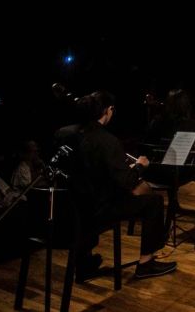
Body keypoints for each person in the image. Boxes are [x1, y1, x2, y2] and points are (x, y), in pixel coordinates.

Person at [71, 91, 176, 280]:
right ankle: (146, 263)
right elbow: (127, 182)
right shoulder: (108, 141)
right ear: (108, 110)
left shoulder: (69, 134)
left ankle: (84, 264)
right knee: (154, 202)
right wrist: (139, 167)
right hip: (102, 207)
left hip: (76, 204)